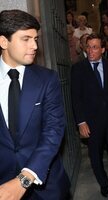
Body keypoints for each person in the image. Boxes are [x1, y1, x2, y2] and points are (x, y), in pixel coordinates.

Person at [0, 9, 70, 199]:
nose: (34, 46)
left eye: (35, 39)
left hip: (44, 185)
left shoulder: (47, 79)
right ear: (3, 42)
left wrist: (24, 178)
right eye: (26, 39)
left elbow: (54, 130)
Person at [71, 33, 108, 198]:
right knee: (95, 153)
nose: (90, 51)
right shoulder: (78, 68)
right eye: (88, 47)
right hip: (91, 120)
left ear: (103, 49)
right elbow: (75, 98)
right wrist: (81, 122)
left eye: (95, 47)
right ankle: (103, 184)